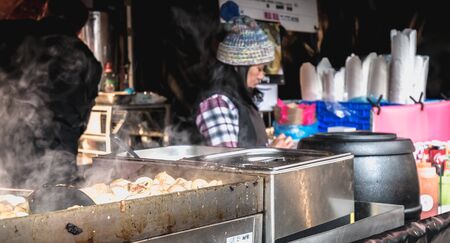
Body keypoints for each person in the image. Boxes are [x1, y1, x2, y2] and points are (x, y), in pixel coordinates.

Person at [0, 0, 101, 188]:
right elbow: (80, 121)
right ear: (80, 29)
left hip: (8, 156)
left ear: (45, 11)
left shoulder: (12, 33)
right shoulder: (89, 62)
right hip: (58, 163)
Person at [194, 15, 294, 148]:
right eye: (258, 68)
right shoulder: (217, 103)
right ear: (238, 67)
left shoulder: (245, 101)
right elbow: (226, 164)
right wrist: (272, 152)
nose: (261, 76)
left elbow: (253, 148)